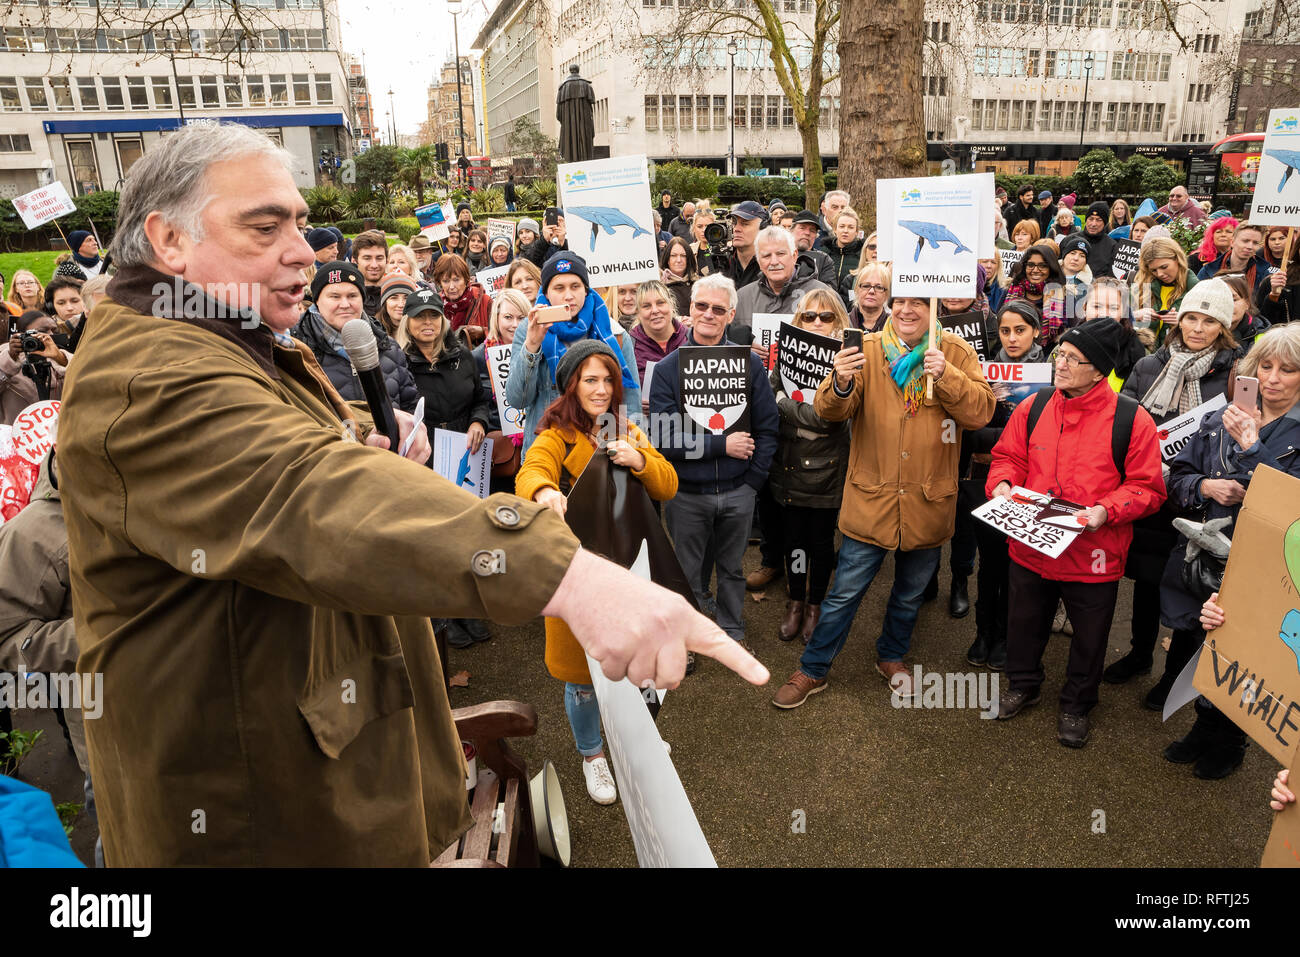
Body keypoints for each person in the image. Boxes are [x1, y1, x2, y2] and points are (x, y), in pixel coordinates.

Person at [57, 122, 764, 867]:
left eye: (299, 222)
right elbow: (307, 489)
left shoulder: (227, 330)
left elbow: (285, 438)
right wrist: (570, 573)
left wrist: (358, 423)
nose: (303, 250)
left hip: (314, 777)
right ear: (168, 240)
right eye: (265, 226)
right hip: (254, 819)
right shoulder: (149, 378)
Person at [770, 295, 995, 708]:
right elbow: (830, 411)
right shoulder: (865, 349)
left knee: (909, 594)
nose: (908, 310)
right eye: (900, 301)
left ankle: (891, 656)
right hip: (871, 500)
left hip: (928, 502)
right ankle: (813, 668)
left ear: (934, 307)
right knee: (844, 593)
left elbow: (980, 414)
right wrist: (839, 383)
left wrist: (946, 375)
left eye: (918, 303)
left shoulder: (955, 352)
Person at [989, 318, 1166, 747]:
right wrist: (1003, 484)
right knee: (1024, 622)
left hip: (1094, 553)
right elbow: (1007, 456)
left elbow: (1147, 487)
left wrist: (1107, 510)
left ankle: (1077, 704)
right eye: (1060, 354)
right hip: (1031, 544)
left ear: (1099, 369)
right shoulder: (1034, 406)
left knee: (1090, 638)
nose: (1061, 364)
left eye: (1072, 358)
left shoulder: (1132, 419)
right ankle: (1023, 683)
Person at [516, 340, 679, 804]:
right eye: (591, 379)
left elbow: (668, 485)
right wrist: (545, 492)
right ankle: (593, 756)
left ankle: (636, 740)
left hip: (629, 571)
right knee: (582, 677)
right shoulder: (554, 435)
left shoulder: (625, 429)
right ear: (571, 385)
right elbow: (530, 472)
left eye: (608, 379)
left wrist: (641, 460)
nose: (602, 388)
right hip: (576, 577)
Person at [1159, 324, 1300, 778]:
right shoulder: (1218, 418)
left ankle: (1231, 739)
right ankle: (1204, 725)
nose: (1274, 378)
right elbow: (1177, 475)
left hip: (1264, 564)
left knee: (1244, 648)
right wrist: (1204, 485)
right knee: (1205, 638)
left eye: (1288, 369)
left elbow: (1290, 507)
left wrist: (1252, 448)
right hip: (1206, 558)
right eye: (1266, 366)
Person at [1107, 279, 1239, 706]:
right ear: (1178, 320)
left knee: (1189, 586)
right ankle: (1140, 653)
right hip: (1150, 492)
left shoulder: (1235, 374)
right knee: (1145, 581)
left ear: (1223, 327)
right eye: (1191, 318)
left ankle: (1172, 678)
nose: (1197, 329)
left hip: (1199, 498)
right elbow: (1122, 420)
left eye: (1209, 321)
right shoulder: (1150, 366)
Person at [648, 273, 778, 657]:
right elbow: (665, 440)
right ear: (689, 310)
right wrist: (723, 445)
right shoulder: (668, 370)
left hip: (739, 492)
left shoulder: (750, 367)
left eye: (717, 309)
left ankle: (731, 629)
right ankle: (685, 640)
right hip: (686, 494)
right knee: (686, 575)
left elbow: (769, 428)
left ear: (731, 314)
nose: (708, 314)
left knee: (733, 568)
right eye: (701, 306)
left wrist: (752, 482)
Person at [395, 286, 495, 647]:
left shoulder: (463, 356)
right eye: (419, 316)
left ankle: (467, 606)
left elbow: (481, 398)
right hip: (426, 456)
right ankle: (444, 614)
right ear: (407, 320)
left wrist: (479, 422)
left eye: (433, 315)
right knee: (436, 537)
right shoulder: (400, 361)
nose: (427, 323)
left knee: (468, 532)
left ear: (443, 319)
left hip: (465, 452)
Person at [767, 289, 851, 644]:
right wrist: (782, 402)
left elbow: (825, 418)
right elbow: (768, 401)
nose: (817, 322)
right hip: (787, 471)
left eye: (826, 316)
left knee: (820, 545)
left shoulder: (848, 360)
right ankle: (796, 601)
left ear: (839, 321)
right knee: (795, 543)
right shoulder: (785, 357)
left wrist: (784, 402)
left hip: (827, 474)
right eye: (809, 316)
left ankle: (816, 604)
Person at [964, 299, 1045, 668]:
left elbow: (1043, 437)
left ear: (1037, 331)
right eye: (1005, 331)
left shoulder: (1049, 374)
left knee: (1018, 568)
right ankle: (984, 632)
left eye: (1020, 330)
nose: (1012, 339)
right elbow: (970, 431)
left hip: (1032, 483)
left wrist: (996, 436)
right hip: (988, 479)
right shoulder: (983, 371)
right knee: (990, 562)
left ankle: (1008, 634)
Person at [506, 250, 640, 458]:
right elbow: (517, 399)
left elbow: (630, 403)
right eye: (559, 288)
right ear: (547, 292)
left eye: (575, 286)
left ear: (586, 290)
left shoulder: (612, 333)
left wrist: (629, 448)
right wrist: (532, 345)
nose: (568, 295)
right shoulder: (529, 328)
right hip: (547, 454)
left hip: (599, 455)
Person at [292, 262, 418, 414]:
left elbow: (410, 406)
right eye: (335, 296)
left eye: (352, 296)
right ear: (317, 300)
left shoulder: (388, 346)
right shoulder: (295, 350)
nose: (345, 304)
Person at [732, 226, 832, 344]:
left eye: (780, 254)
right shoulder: (741, 298)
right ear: (758, 262)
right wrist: (745, 346)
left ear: (794, 256)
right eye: (766, 256)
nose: (774, 262)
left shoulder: (825, 295)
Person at [473, 289, 529, 495]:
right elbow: (473, 402)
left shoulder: (539, 353)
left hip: (534, 448)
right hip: (497, 457)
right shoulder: (477, 358)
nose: (515, 324)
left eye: (521, 318)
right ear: (496, 318)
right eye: (508, 317)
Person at [1132, 237, 1198, 348]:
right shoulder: (1140, 287)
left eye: (1164, 267)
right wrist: (1133, 316)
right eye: (1154, 270)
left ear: (1177, 259)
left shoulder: (1197, 289)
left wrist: (1183, 323)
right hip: (1142, 358)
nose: (1160, 274)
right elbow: (1115, 323)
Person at [3, 310, 70, 420]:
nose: (50, 335)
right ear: (22, 335)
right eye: (42, 331)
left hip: (55, 432)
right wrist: (10, 358)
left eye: (55, 330)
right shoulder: (5, 356)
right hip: (17, 433)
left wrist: (61, 359)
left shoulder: (61, 358)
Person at [1200, 222, 1283, 310]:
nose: (1249, 246)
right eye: (1245, 241)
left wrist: (1274, 294)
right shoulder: (1209, 270)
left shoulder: (1266, 273)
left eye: (1255, 243)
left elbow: (1267, 310)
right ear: (1232, 242)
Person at [629, 279, 687, 397]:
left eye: (660, 303)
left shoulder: (692, 339)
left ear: (671, 304)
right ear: (638, 312)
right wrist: (636, 403)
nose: (655, 310)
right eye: (646, 306)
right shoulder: (628, 345)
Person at [1007, 245, 1067, 346]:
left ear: (1051, 268)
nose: (1035, 270)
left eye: (1042, 266)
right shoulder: (1011, 291)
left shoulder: (1065, 296)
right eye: (1030, 265)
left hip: (1049, 355)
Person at [432, 254, 491, 338]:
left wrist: (483, 332)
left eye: (456, 280)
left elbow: (501, 334)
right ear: (439, 283)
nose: (451, 287)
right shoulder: (435, 305)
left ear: (466, 279)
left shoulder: (485, 301)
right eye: (445, 281)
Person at [1219, 273, 1271, 351]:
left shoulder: (1263, 337)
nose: (1228, 305)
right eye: (1221, 299)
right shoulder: (1200, 329)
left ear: (1247, 303)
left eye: (1234, 300)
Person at [825, 207, 865, 306]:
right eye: (842, 226)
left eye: (851, 227)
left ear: (856, 231)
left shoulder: (863, 255)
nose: (845, 231)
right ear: (835, 229)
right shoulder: (824, 253)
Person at [720, 201, 765, 288]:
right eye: (734, 223)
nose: (736, 229)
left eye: (745, 224)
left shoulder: (771, 265)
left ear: (763, 228)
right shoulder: (722, 262)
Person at [790, 209, 837, 286]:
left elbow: (829, 291)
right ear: (791, 230)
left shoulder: (823, 259)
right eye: (802, 228)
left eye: (812, 230)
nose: (807, 233)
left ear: (816, 236)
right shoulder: (780, 254)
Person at [350, 230, 388, 316]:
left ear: (387, 260)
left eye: (379, 258)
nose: (374, 265)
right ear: (354, 261)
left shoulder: (396, 295)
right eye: (367, 258)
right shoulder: (347, 298)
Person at [847, 262, 891, 332]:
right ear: (857, 290)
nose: (871, 291)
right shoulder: (841, 322)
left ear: (887, 294)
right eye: (866, 286)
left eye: (879, 287)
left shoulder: (894, 326)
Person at [660, 236, 697, 317]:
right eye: (673, 255)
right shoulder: (660, 288)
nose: (679, 260)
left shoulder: (699, 285)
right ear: (667, 259)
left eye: (683, 255)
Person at [1080, 202, 1118, 278]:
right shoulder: (1070, 240)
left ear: (1105, 223)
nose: (1093, 224)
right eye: (1090, 219)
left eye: (1098, 220)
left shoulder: (1112, 246)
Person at [376, 270, 417, 337]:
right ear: (385, 303)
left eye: (406, 298)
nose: (400, 304)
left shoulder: (420, 332)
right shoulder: (374, 332)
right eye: (394, 298)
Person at [689, 208, 717, 276]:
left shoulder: (724, 249)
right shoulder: (690, 249)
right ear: (694, 228)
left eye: (708, 226)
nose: (704, 230)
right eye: (699, 226)